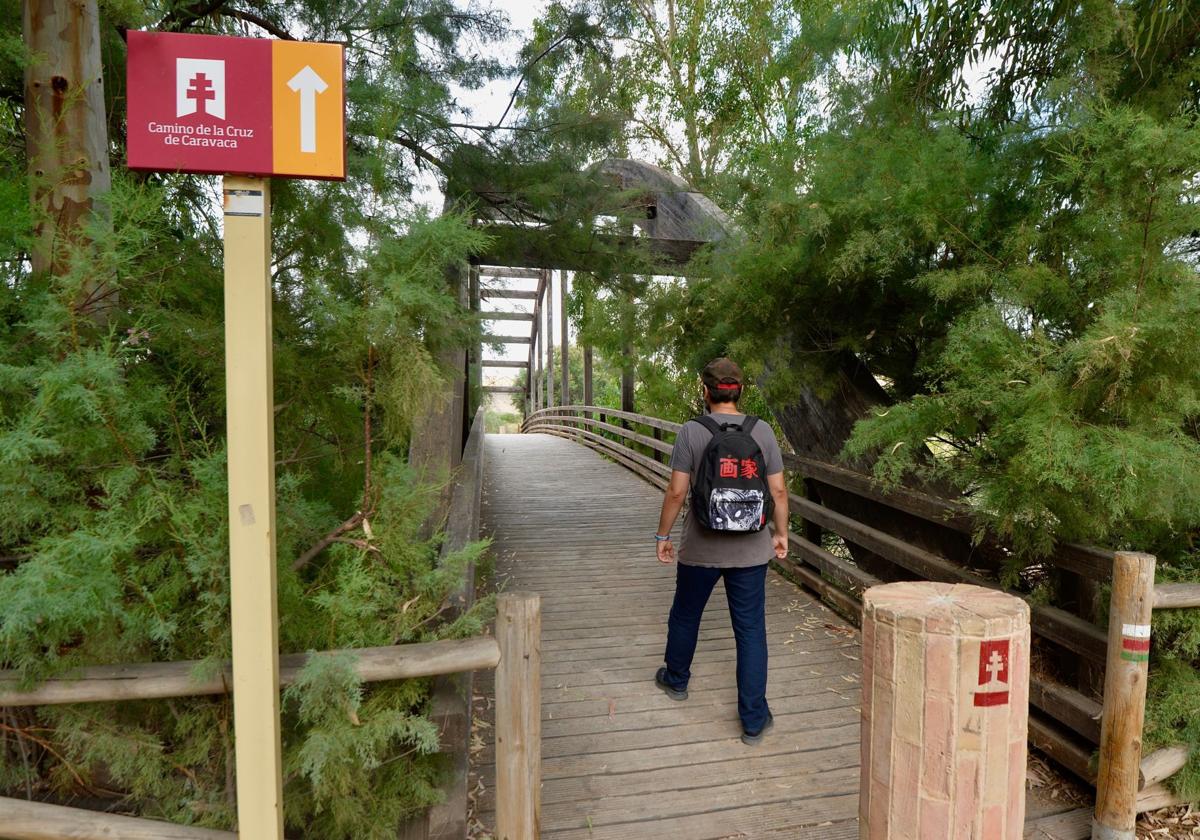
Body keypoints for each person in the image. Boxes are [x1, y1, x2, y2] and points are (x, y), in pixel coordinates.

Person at [653, 357, 790, 745]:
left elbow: (677, 491)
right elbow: (778, 491)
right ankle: (753, 718)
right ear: (740, 390)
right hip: (750, 550)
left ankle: (676, 679)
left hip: (700, 548)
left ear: (705, 391)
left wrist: (662, 536)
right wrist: (780, 534)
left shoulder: (692, 432)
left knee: (686, 614)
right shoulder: (761, 431)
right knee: (750, 631)